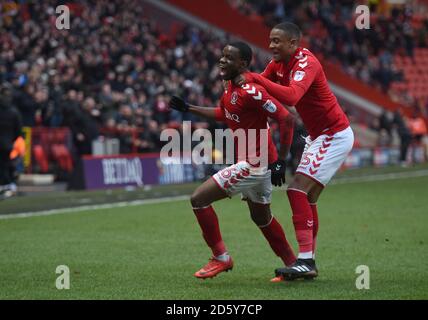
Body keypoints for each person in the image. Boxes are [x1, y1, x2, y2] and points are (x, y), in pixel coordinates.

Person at [237, 22, 354, 280]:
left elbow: (290, 97)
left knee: (296, 190)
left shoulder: (306, 62)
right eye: (270, 40)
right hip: (319, 136)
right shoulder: (277, 64)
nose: (271, 45)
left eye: (277, 41)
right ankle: (307, 261)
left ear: (293, 44)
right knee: (307, 199)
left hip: (332, 134)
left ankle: (305, 261)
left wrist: (252, 77)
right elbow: (261, 87)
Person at [169, 41, 297, 279]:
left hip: (254, 165)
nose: (222, 60)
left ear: (243, 63)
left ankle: (221, 258)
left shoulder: (250, 89)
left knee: (198, 199)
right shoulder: (230, 85)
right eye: (222, 56)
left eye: (229, 57)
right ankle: (294, 264)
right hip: (258, 164)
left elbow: (287, 119)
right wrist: (189, 108)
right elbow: (224, 113)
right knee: (262, 217)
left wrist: (283, 160)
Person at [0, 83, 23, 198]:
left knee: (5, 165)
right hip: (9, 143)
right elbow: (18, 131)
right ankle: (10, 185)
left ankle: (7, 185)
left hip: (5, 143)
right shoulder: (14, 112)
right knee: (9, 165)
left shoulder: (12, 112)